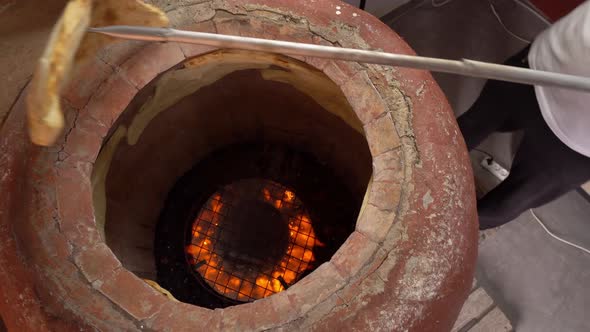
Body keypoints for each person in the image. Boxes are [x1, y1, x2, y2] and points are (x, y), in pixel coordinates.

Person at [457, 1, 590, 230]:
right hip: (545, 62)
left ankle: (450, 231)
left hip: (580, 144)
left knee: (508, 202)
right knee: (459, 134)